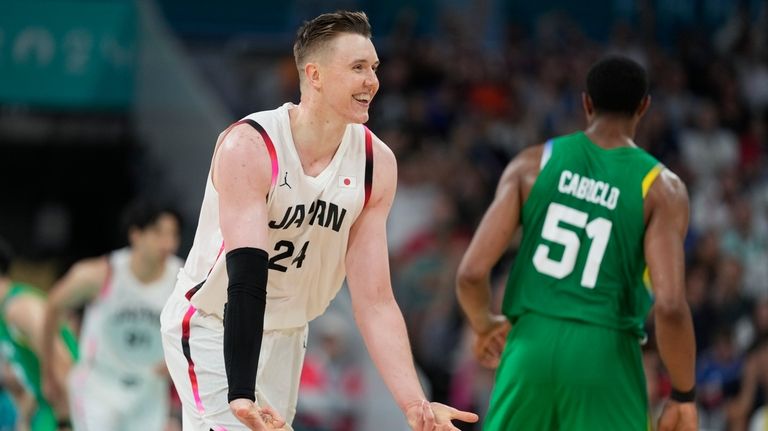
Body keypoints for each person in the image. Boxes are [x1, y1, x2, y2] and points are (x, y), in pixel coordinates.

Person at [160, 10, 478, 431]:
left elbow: (376, 300)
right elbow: (246, 282)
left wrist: (414, 404)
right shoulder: (251, 147)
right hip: (214, 324)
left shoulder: (375, 164)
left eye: (375, 68)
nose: (373, 81)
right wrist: (241, 392)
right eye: (358, 68)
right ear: (315, 74)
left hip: (288, 333)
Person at [456, 56, 698, 431]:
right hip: (606, 354)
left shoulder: (531, 164)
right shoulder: (662, 189)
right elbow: (669, 306)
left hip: (528, 347)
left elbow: (471, 273)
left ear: (586, 103)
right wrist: (683, 395)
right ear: (644, 107)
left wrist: (485, 323)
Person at [41, 201, 182, 431]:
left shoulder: (182, 279)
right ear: (135, 234)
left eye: (173, 235)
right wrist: (49, 370)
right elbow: (53, 305)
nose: (168, 243)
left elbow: (205, 328)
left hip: (149, 390)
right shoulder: (102, 273)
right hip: (99, 387)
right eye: (158, 233)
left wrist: (177, 359)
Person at [0, 235, 77, 431]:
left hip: (73, 408)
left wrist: (65, 422)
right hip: (49, 409)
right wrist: (24, 418)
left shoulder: (20, 307)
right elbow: (40, 374)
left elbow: (63, 363)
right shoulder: (5, 313)